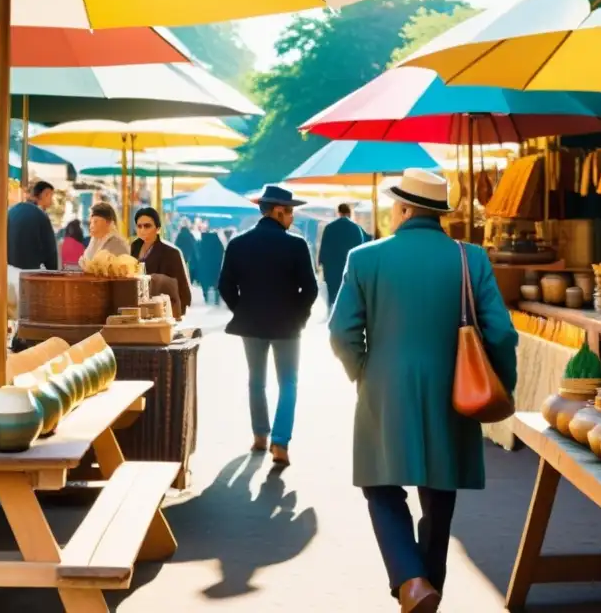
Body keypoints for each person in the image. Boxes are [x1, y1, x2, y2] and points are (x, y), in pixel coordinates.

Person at [328, 169, 518, 612]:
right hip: (455, 388)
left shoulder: (364, 257)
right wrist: (501, 387)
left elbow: (341, 332)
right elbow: (503, 335)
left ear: (404, 208)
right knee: (439, 489)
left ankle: (412, 583)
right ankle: (427, 585)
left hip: (383, 387)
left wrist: (363, 372)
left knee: (380, 484)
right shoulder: (471, 258)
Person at [218, 185, 318, 468]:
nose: (292, 218)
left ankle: (260, 435)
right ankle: (280, 443)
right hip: (287, 325)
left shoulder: (237, 243)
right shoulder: (297, 245)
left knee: (256, 380)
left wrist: (241, 309)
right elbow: (309, 289)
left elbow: (225, 284)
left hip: (250, 323)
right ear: (278, 211)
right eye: (290, 212)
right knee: (288, 383)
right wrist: (298, 316)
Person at [130, 207, 192, 316]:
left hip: (162, 308)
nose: (142, 230)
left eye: (147, 226)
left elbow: (182, 286)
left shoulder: (171, 252)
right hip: (136, 305)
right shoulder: (133, 247)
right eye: (139, 226)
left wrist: (179, 308)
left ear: (157, 228)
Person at [318, 203, 367, 310]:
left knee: (333, 299)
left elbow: (323, 252)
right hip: (349, 270)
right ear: (350, 213)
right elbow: (361, 251)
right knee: (349, 299)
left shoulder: (329, 228)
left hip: (332, 271)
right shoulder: (356, 229)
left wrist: (321, 264)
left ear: (338, 213)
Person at [7, 180, 58, 271]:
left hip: (9, 272)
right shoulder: (40, 216)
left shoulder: (12, 211)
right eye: (51, 196)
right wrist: (53, 273)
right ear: (45, 194)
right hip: (31, 273)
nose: (52, 201)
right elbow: (50, 251)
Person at [198, 227, 225, 304]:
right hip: (215, 268)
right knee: (216, 283)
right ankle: (216, 299)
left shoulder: (202, 243)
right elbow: (221, 253)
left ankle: (206, 297)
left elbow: (199, 256)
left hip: (205, 268)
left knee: (206, 284)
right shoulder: (217, 242)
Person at [174, 218, 199, 282]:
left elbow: (176, 246)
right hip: (189, 257)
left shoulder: (179, 236)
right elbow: (194, 246)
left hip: (181, 256)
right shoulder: (190, 235)